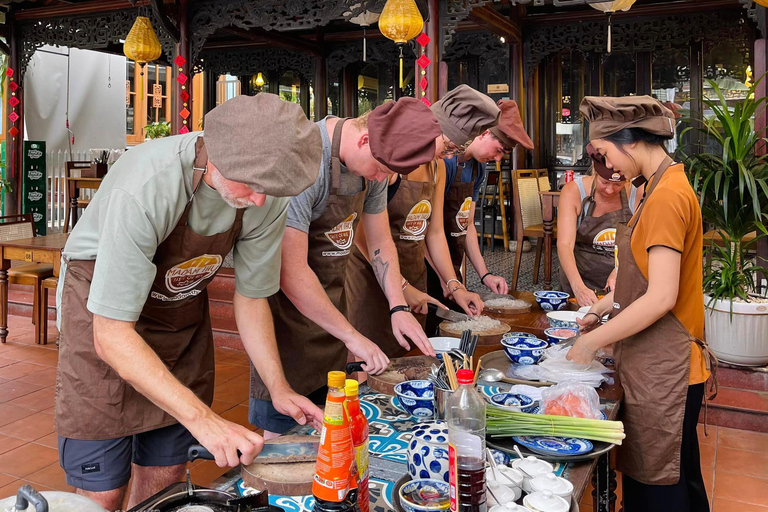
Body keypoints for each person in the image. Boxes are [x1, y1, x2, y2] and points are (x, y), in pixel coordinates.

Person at [54, 93, 324, 510]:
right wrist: (206, 422)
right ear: (216, 156)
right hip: (103, 319)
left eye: (269, 190)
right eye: (251, 186)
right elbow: (110, 336)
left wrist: (278, 388)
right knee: (103, 492)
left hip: (177, 319)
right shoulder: (147, 184)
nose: (259, 201)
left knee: (165, 478)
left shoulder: (267, 194)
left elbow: (253, 299)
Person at [249, 97, 442, 437]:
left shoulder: (377, 162)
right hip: (285, 321)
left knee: (332, 430)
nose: (382, 178)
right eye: (381, 169)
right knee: (284, 441)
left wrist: (398, 305)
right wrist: (353, 336)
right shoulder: (303, 160)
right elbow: (291, 271)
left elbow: (381, 240)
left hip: (332, 310)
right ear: (365, 138)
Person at [567, 96, 716, 512]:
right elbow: (648, 277)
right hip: (657, 362)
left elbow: (663, 296)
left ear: (628, 142)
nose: (608, 166)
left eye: (606, 152)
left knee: (659, 486)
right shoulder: (656, 186)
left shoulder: (667, 197)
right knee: (678, 476)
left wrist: (590, 344)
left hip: (668, 367)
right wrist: (601, 306)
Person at [345, 86, 501, 357]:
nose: (450, 155)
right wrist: (401, 288)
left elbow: (435, 232)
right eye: (449, 146)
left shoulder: (437, 166)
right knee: (370, 361)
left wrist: (455, 286)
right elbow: (365, 235)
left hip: (413, 274)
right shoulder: (390, 164)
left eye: (457, 149)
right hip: (372, 276)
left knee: (409, 360)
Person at [425, 100, 533, 326]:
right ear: (484, 133)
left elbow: (467, 225)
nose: (497, 160)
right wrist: (447, 280)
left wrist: (485, 276)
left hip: (451, 263)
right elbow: (427, 230)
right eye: (499, 151)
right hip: (426, 262)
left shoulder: (478, 168)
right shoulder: (445, 161)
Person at [557, 143, 642, 306]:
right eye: (604, 183)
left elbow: (639, 242)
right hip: (580, 279)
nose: (610, 190)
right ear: (595, 173)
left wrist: (618, 270)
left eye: (618, 185)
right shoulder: (574, 191)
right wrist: (578, 288)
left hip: (622, 282)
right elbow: (564, 244)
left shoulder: (636, 193)